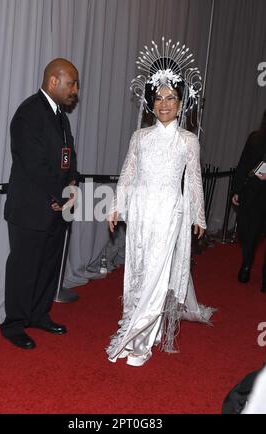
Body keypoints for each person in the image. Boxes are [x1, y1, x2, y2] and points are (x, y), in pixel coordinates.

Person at [106, 38, 215, 367]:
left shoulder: (188, 140)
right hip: (140, 213)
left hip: (170, 213)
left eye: (171, 98)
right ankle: (131, 327)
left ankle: (142, 342)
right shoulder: (139, 137)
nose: (164, 104)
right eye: (159, 98)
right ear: (151, 102)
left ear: (181, 103)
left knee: (156, 276)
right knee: (137, 273)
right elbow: (127, 172)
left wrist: (199, 216)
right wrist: (116, 206)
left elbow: (193, 179)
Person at [1, 58, 80, 349]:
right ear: (52, 82)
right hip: (30, 208)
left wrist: (71, 185)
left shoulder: (61, 116)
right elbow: (34, 164)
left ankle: (38, 314)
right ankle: (14, 325)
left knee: (48, 266)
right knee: (24, 269)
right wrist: (60, 193)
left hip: (56, 207)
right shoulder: (28, 113)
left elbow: (68, 154)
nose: (75, 89)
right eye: (71, 83)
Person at [232, 109, 266, 292]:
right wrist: (237, 190)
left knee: (251, 232)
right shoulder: (255, 138)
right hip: (253, 193)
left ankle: (249, 269)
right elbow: (244, 164)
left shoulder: (255, 138)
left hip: (255, 193)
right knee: (249, 233)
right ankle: (246, 264)